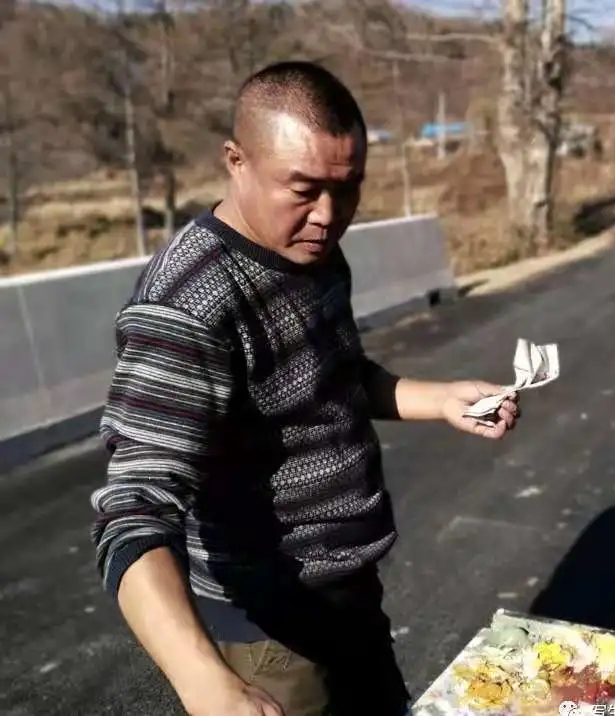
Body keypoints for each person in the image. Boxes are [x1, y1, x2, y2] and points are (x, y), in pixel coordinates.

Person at [90, 61, 519, 716]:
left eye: (347, 189)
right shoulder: (188, 306)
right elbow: (133, 508)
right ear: (236, 161)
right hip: (269, 630)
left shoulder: (312, 249)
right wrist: (205, 681)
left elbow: (333, 379)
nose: (328, 215)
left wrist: (439, 399)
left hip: (350, 593)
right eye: (303, 189)